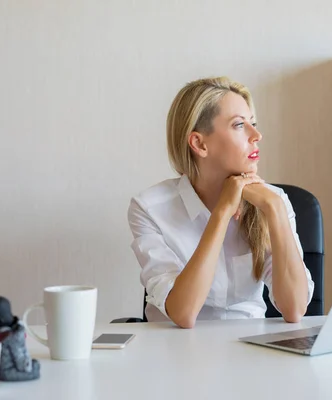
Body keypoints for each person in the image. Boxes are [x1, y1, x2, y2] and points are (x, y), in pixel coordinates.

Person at [127, 76, 315, 328]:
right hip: (174, 351)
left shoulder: (272, 201)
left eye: (253, 123)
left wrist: (275, 210)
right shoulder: (149, 208)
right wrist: (222, 213)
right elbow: (183, 313)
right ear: (199, 143)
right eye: (239, 125)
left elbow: (294, 310)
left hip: (249, 348)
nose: (256, 135)